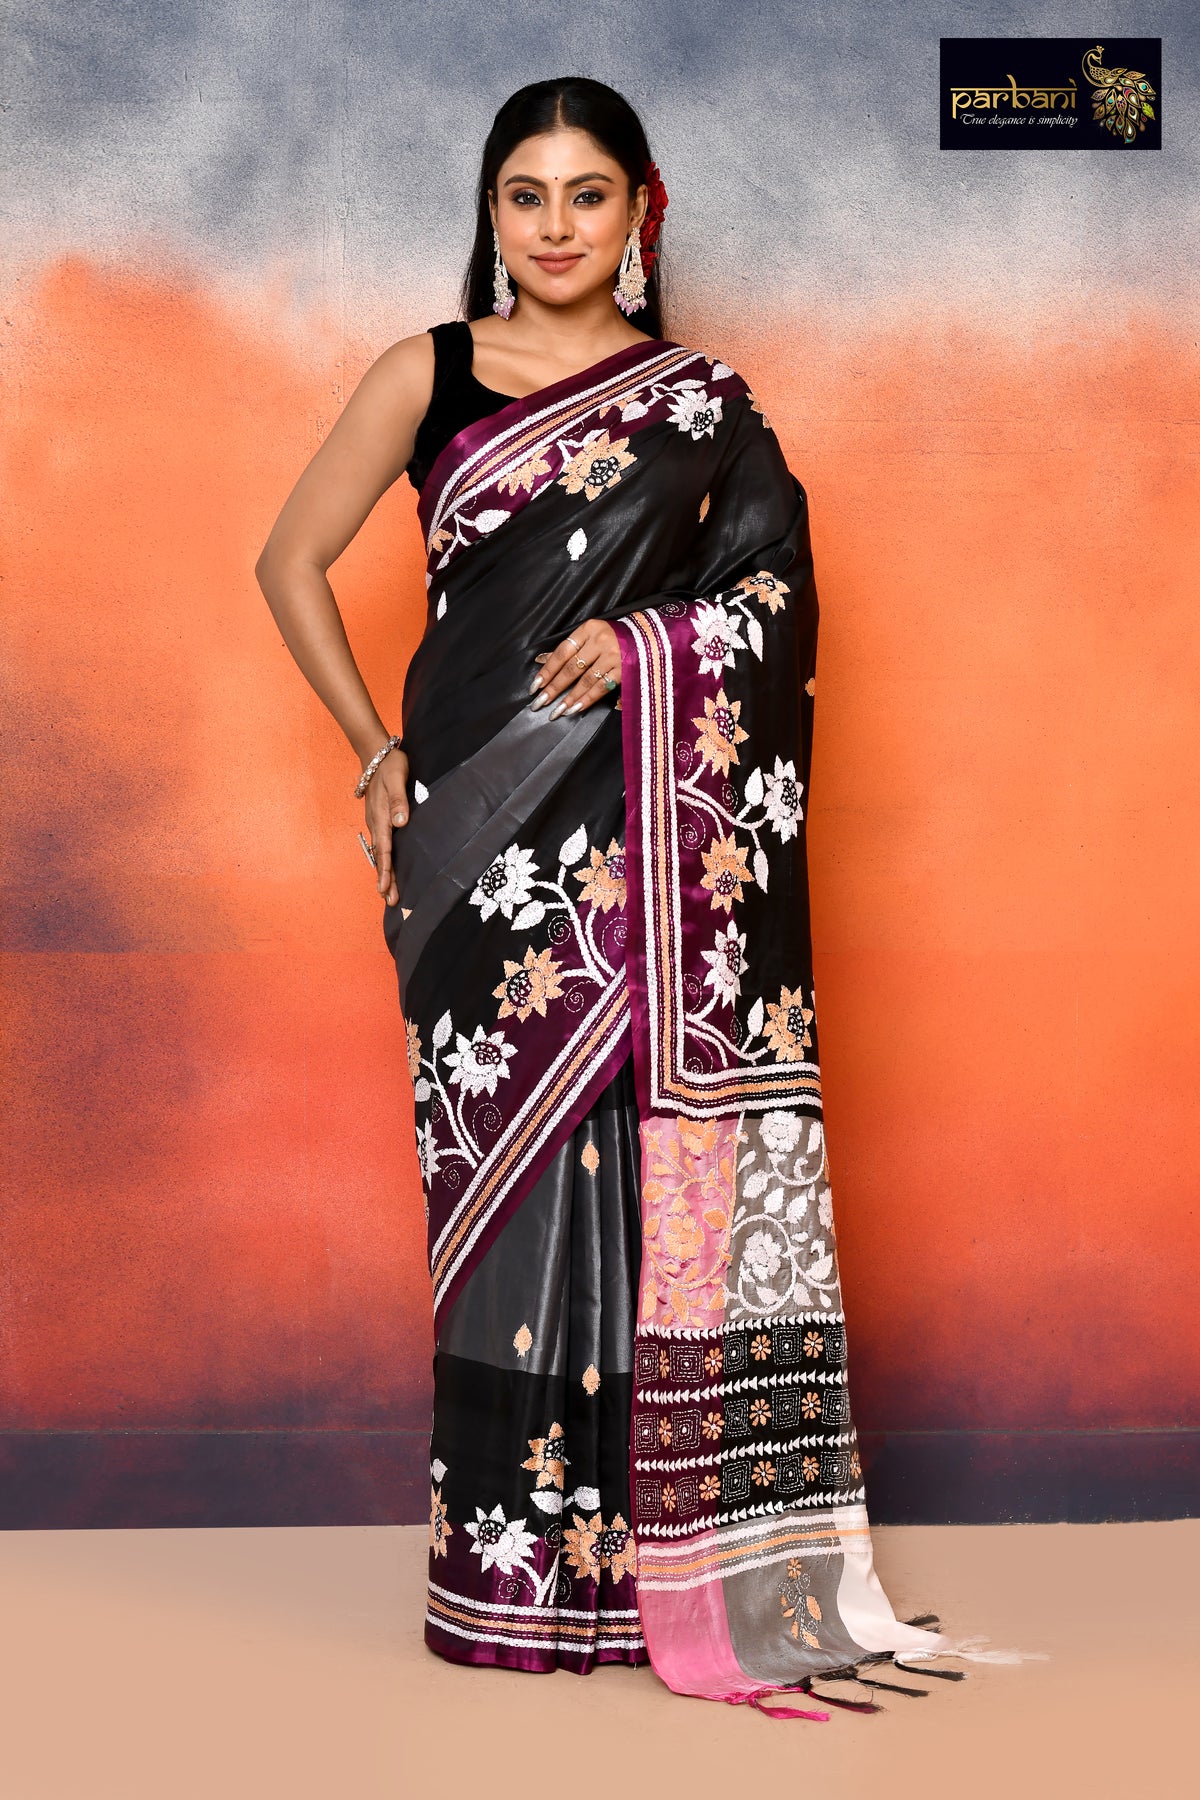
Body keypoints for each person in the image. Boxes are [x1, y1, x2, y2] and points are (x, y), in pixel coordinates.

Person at [255, 76, 988, 1717]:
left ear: (640, 212)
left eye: (588, 195)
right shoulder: (428, 375)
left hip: (642, 851)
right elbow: (287, 560)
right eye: (525, 196)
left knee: (649, 1173)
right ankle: (512, 1586)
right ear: (490, 211)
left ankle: (652, 1572)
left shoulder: (702, 405)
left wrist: (651, 645)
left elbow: (777, 595)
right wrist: (375, 748)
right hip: (476, 855)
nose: (556, 227)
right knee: (499, 1196)